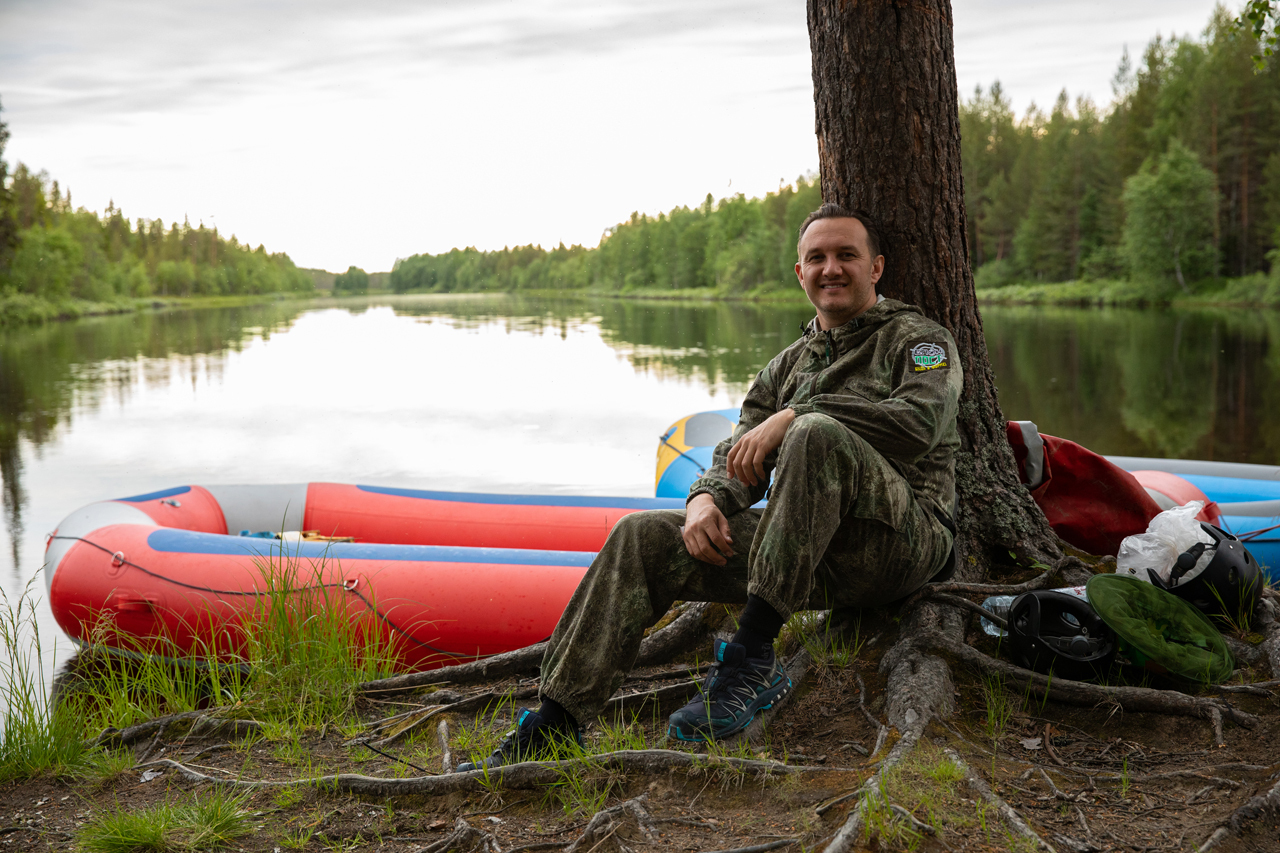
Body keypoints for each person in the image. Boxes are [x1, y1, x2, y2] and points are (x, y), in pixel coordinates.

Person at [457, 204, 962, 770]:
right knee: (642, 536)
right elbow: (737, 456)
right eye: (816, 258)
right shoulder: (785, 367)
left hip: (900, 544)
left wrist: (796, 415)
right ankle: (557, 722)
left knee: (816, 433)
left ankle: (750, 658)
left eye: (847, 254)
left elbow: (919, 424)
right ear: (800, 274)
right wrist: (704, 499)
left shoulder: (918, 341)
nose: (832, 268)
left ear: (876, 268)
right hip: (803, 555)